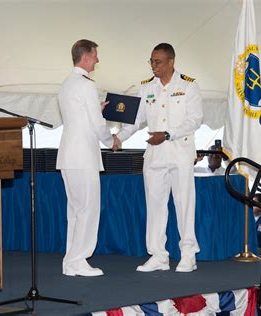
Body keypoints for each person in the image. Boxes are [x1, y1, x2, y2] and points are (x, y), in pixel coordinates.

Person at [114, 43, 203, 272]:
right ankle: (158, 255)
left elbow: (195, 120)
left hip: (180, 153)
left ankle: (188, 254)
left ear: (171, 61)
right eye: (151, 61)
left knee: (184, 204)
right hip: (154, 155)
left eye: (158, 61)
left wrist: (167, 134)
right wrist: (119, 138)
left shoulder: (188, 86)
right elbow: (135, 119)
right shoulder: (146, 88)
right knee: (155, 206)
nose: (153, 66)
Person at [57, 39, 120, 277]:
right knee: (88, 209)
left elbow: (80, 116)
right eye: (95, 55)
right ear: (85, 57)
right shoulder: (86, 85)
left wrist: (96, 108)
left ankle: (70, 261)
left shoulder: (67, 84)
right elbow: (96, 124)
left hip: (68, 156)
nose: (97, 60)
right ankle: (78, 260)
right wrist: (110, 140)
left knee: (75, 210)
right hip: (83, 157)